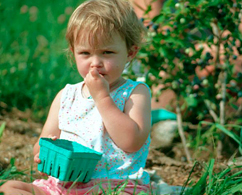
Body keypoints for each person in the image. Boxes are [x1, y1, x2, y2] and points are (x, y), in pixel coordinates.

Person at [0, 0, 153, 194]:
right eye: (85, 53)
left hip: (112, 185)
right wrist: (44, 153)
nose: (95, 63)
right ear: (74, 53)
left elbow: (131, 142)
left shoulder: (134, 92)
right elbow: (43, 141)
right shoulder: (66, 96)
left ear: (130, 52)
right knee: (9, 188)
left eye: (107, 52)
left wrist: (102, 98)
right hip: (64, 184)